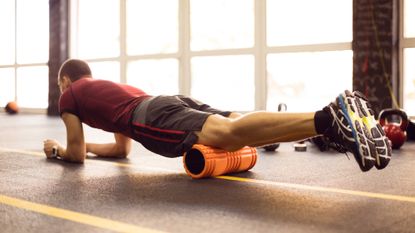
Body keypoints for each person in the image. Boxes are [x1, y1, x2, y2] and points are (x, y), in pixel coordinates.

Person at [43, 59, 392, 172]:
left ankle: (329, 119)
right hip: (163, 100)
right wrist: (91, 149)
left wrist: (59, 150)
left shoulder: (70, 96)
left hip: (149, 117)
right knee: (238, 126)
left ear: (65, 80)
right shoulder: (108, 88)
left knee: (228, 133)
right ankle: (334, 124)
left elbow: (74, 154)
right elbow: (122, 150)